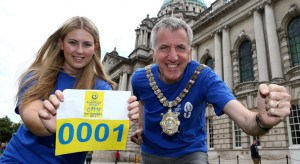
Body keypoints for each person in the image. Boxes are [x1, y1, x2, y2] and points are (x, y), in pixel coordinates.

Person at [129, 17, 291, 164]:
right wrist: (141, 127)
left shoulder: (204, 77)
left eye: (180, 47)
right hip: (150, 153)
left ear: (190, 53)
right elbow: (142, 101)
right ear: (154, 55)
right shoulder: (139, 79)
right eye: (164, 47)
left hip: (191, 154)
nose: (173, 56)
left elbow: (246, 121)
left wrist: (262, 121)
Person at [0, 16, 139, 163]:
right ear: (61, 43)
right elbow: (30, 116)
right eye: (73, 43)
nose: (80, 51)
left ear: (95, 48)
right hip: (20, 159)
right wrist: (48, 125)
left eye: (86, 44)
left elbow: (102, 135)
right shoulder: (35, 75)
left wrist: (120, 123)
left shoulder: (101, 87)